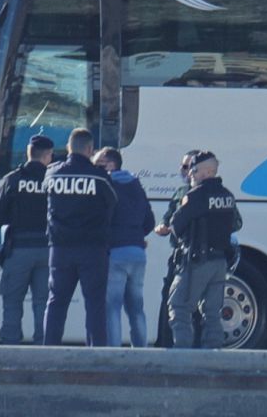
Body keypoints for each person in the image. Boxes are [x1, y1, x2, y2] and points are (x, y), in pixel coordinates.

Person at [42, 127, 117, 346]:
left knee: (56, 302)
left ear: (68, 148)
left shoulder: (52, 173)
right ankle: (97, 353)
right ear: (90, 149)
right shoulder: (100, 178)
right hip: (92, 249)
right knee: (94, 304)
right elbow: (112, 204)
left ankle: (49, 350)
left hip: (60, 248)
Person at [165, 151, 240, 349]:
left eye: (194, 170)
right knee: (212, 312)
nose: (190, 174)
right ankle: (212, 354)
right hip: (219, 263)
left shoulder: (196, 196)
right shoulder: (227, 196)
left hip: (198, 261)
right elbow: (234, 224)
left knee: (179, 306)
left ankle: (182, 358)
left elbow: (176, 225)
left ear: (206, 172)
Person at [0, 134, 54, 345]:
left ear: (29, 153)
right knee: (43, 303)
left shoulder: (12, 178)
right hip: (47, 249)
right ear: (48, 156)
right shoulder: (54, 178)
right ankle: (43, 347)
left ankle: (10, 347)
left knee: (12, 301)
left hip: (18, 248)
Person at [96, 146, 154, 347]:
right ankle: (141, 350)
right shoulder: (136, 184)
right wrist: (136, 236)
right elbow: (150, 222)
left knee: (112, 307)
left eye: (100, 164)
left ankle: (114, 352)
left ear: (111, 164)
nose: (96, 168)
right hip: (138, 253)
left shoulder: (107, 185)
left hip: (116, 253)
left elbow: (102, 220)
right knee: (136, 308)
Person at [153, 149, 200, 347]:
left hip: (196, 256)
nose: (182, 170)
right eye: (182, 166)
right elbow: (167, 220)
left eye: (187, 166)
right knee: (169, 299)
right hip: (179, 256)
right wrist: (163, 228)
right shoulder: (180, 193)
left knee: (191, 305)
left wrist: (172, 227)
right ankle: (166, 343)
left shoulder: (199, 194)